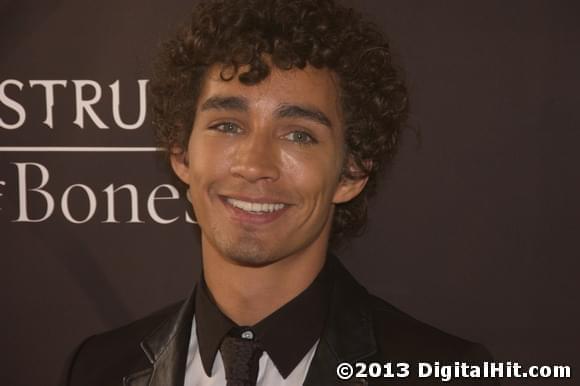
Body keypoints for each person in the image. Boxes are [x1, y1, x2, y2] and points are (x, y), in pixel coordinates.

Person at [65, 0, 498, 385]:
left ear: (351, 171)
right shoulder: (99, 367)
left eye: (299, 135)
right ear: (181, 153)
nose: (255, 165)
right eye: (227, 126)